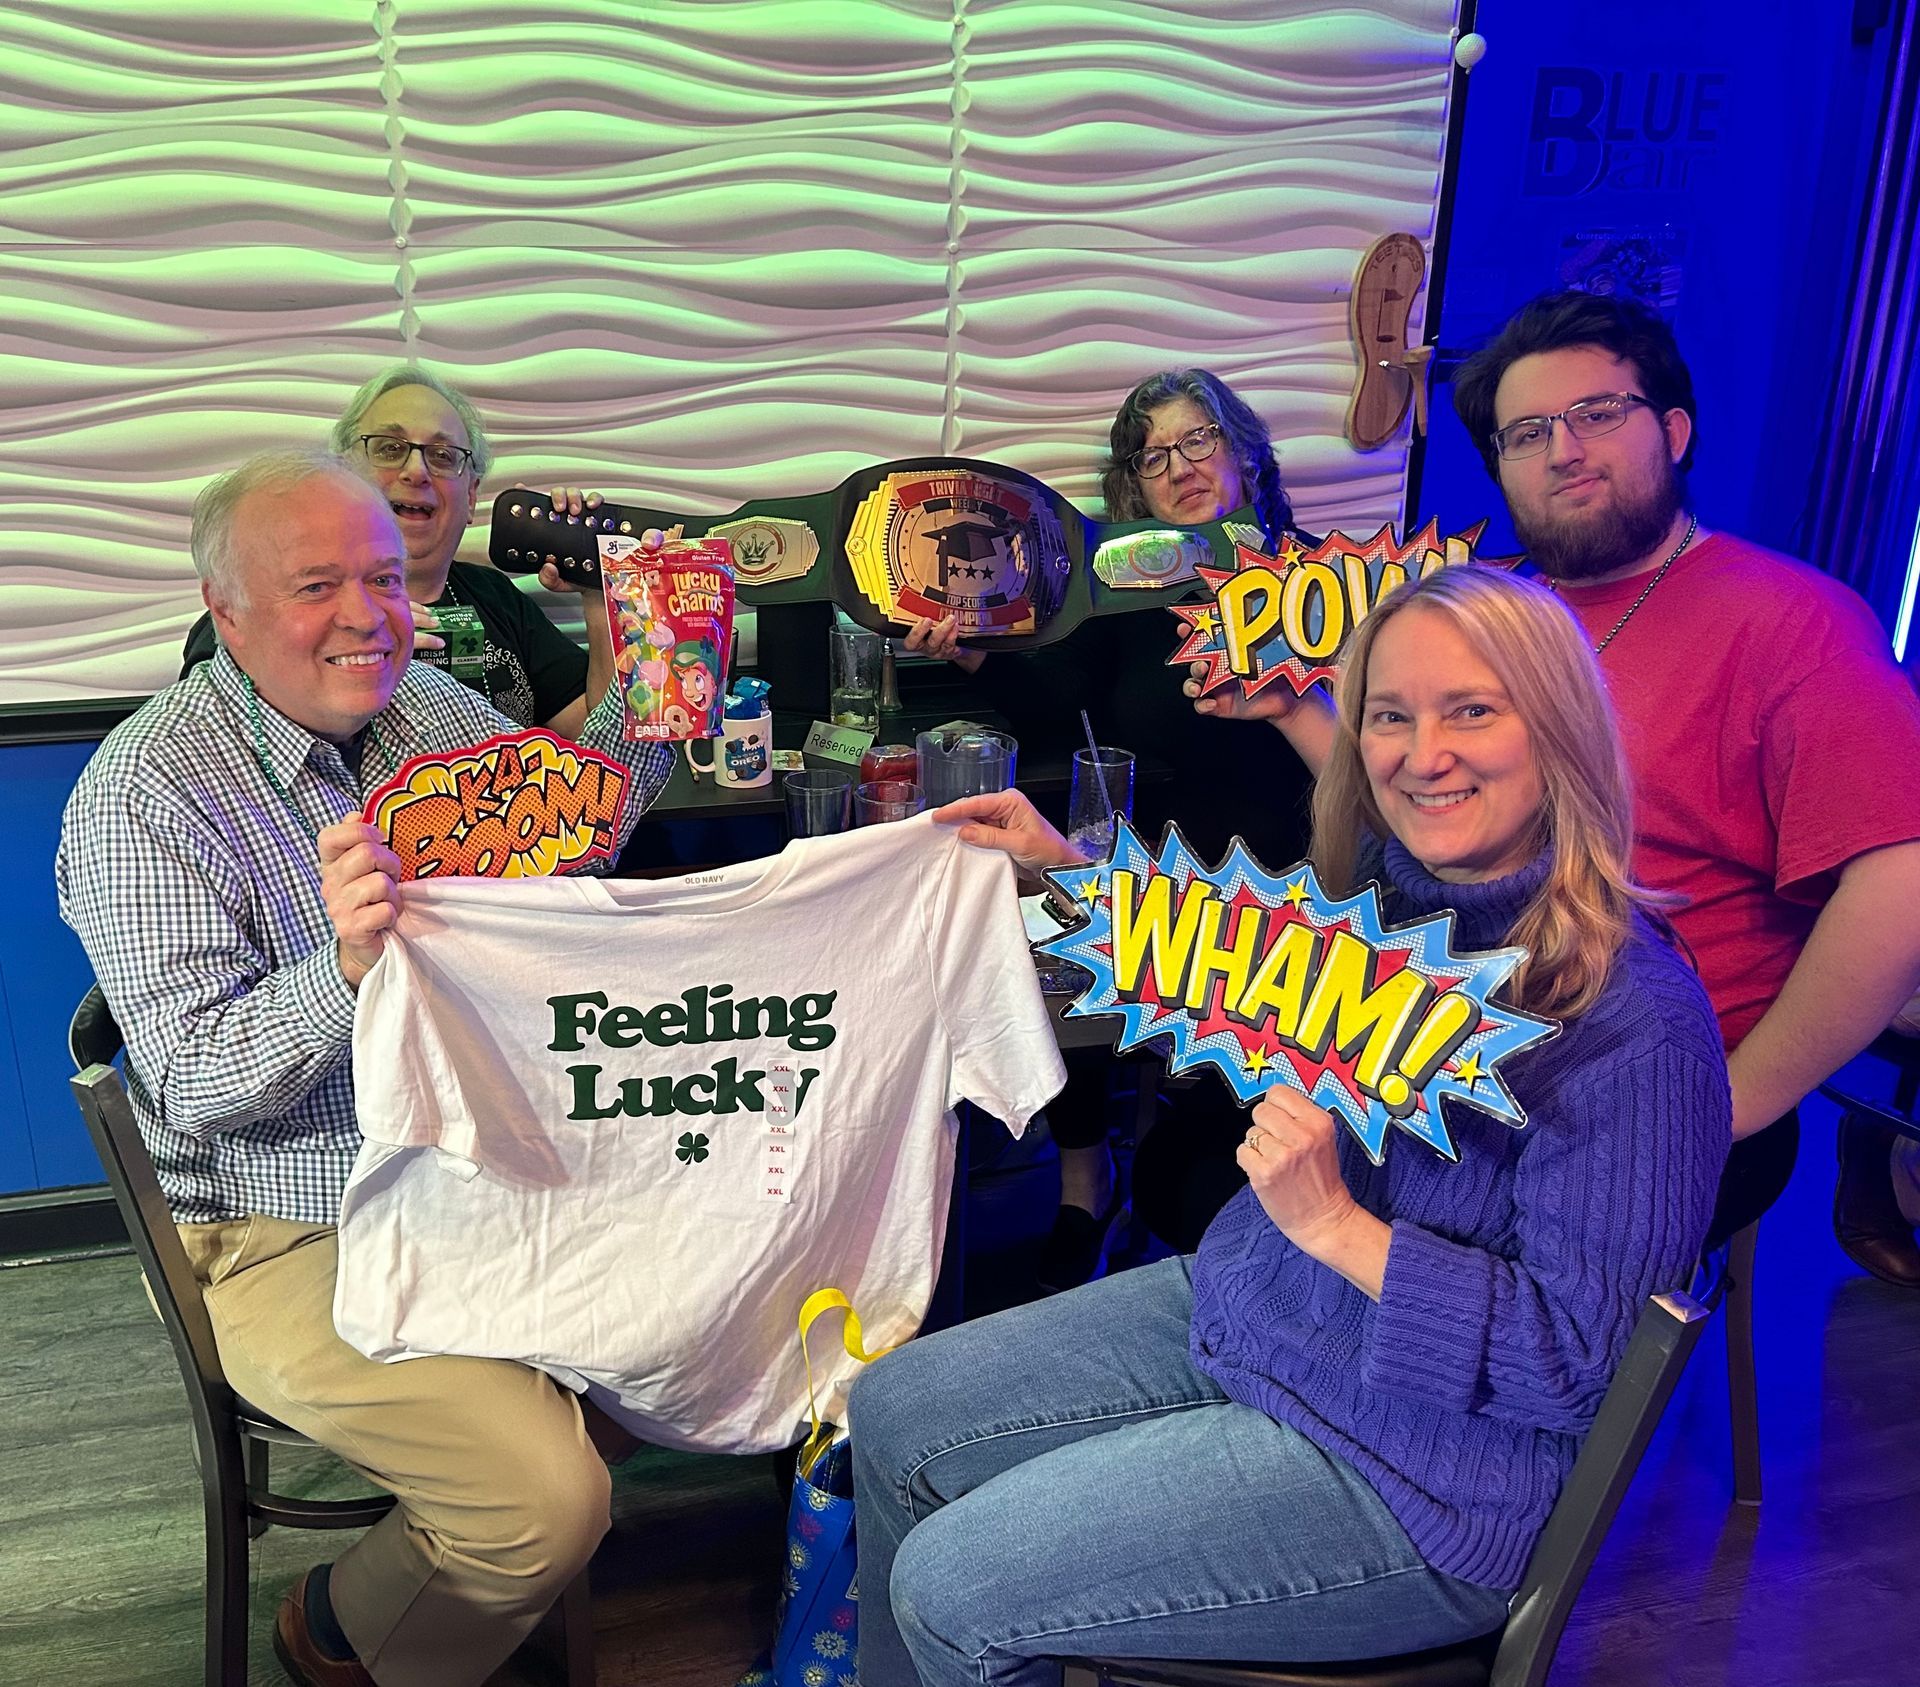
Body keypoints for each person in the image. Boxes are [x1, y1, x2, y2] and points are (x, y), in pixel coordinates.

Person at [849, 566, 1729, 1686]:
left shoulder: (1636, 1025)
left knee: (955, 1587)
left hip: (1425, 1476)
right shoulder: (1396, 887)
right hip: (1268, 1316)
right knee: (891, 1409)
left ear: (1557, 728)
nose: (1423, 753)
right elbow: (1223, 973)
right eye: (1389, 715)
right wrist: (1064, 872)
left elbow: (1578, 1365)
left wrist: (1341, 1229)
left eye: (1473, 709)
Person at [57, 451, 673, 1687]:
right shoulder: (141, 793)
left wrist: (658, 680)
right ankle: (343, 1630)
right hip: (281, 1218)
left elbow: (576, 826)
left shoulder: (433, 713)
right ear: (224, 612)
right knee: (548, 1499)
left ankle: (476, 1542)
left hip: (470, 1154)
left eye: (386, 579)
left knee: (724, 1302)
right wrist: (345, 971)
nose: (366, 614)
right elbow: (191, 1080)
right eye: (318, 584)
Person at [1206, 292, 1920, 1276]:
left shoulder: (1794, 622)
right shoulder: (1500, 611)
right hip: (1447, 1042)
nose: (1564, 449)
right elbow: (1421, 796)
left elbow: (1901, 885)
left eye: (1598, 413)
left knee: (1316, 1247)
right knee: (1217, 1140)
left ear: (1674, 429)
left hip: (1635, 1097)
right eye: (1528, 431)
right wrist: (1294, 713)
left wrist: (1740, 1097)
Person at [906, 369, 1315, 1287]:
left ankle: (1198, 1179)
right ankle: (1085, 1176)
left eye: (1198, 440)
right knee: (1062, 935)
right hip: (1153, 866)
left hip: (1292, 879)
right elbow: (1058, 703)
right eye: (1154, 457)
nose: (1180, 468)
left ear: (1245, 448)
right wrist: (974, 648)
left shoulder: (1317, 577)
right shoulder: (1132, 592)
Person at [182, 364, 613, 733]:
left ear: (471, 497)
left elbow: (596, 744)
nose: (416, 471)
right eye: (390, 449)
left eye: (443, 456)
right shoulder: (254, 612)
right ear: (341, 474)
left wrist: (600, 589)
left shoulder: (496, 598)